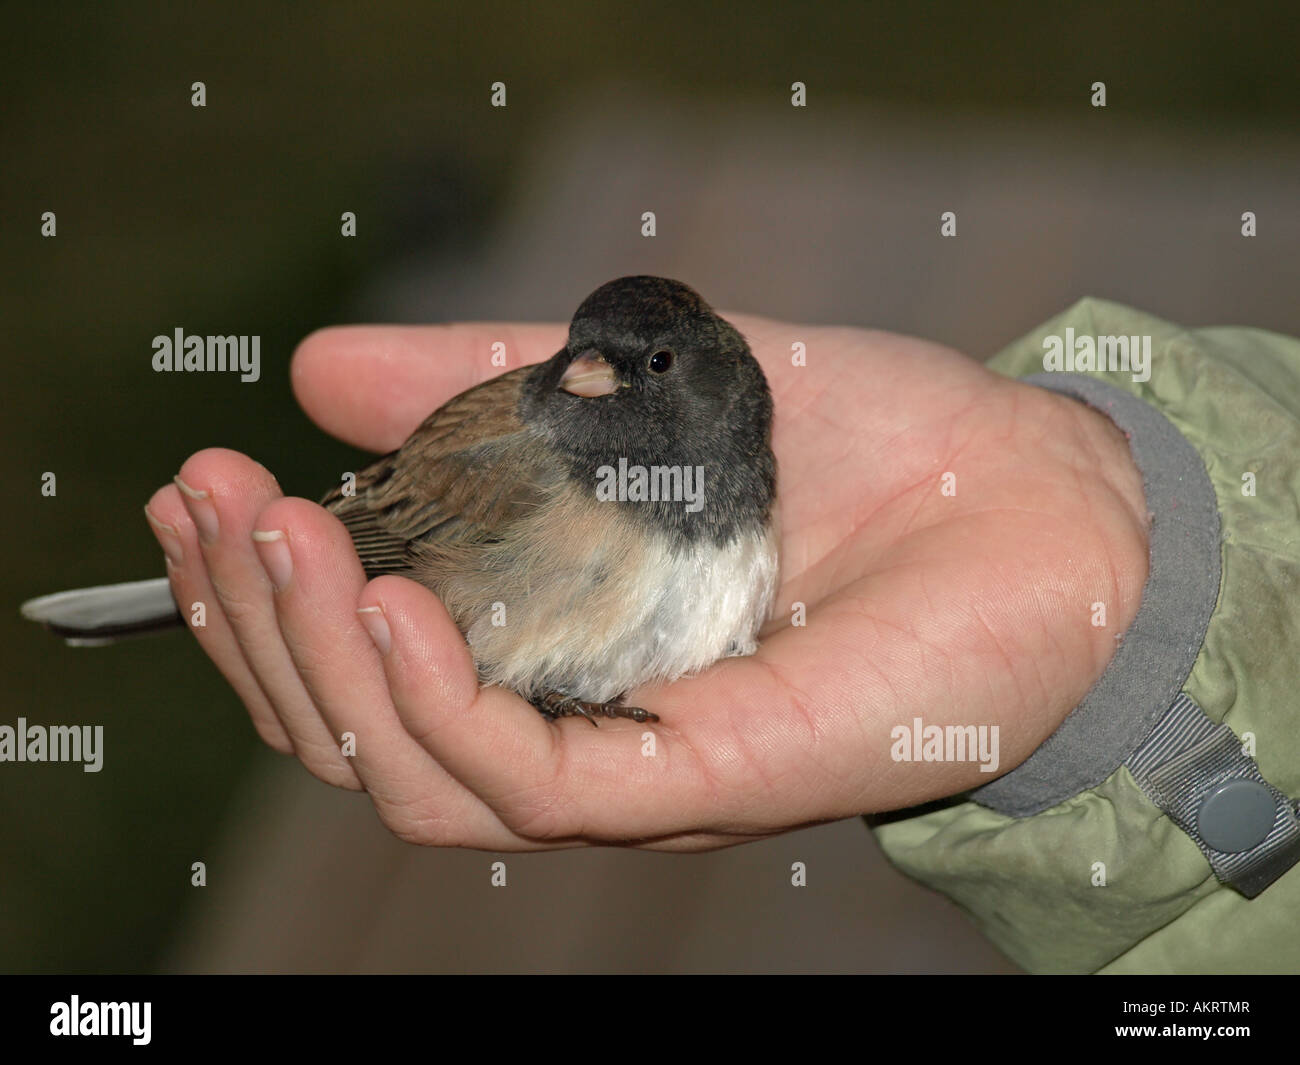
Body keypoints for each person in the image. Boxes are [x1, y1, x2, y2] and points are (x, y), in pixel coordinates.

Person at [143, 299, 1300, 972]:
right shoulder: (514, 455)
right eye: (582, 352)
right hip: (412, 571)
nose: (585, 373)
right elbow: (381, 542)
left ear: (711, 386)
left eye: (639, 362)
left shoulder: (740, 453)